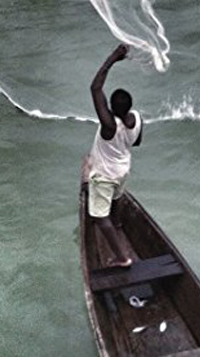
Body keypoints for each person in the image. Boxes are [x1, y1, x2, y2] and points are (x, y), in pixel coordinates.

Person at [81, 43, 143, 268]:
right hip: (123, 170)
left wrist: (112, 58)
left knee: (98, 217)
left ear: (111, 110)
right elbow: (136, 141)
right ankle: (117, 224)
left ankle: (122, 257)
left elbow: (95, 89)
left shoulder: (109, 126)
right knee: (116, 198)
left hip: (105, 174)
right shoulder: (136, 118)